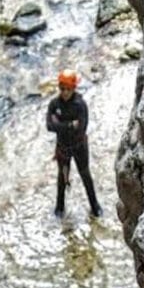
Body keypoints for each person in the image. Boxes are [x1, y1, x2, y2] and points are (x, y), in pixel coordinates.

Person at [46, 69, 102, 218]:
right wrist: (70, 125)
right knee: (62, 178)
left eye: (68, 89)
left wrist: (61, 125)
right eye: (62, 88)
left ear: (74, 88)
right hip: (63, 147)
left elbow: (81, 128)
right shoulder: (54, 104)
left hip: (79, 146)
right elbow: (49, 126)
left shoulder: (80, 105)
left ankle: (95, 206)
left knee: (85, 175)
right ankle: (60, 207)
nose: (65, 92)